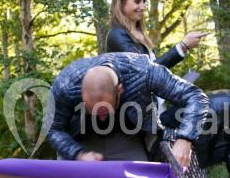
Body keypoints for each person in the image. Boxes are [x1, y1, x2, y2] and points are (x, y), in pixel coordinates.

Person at [47, 52, 208, 164]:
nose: (101, 118)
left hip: (126, 137)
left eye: (104, 111)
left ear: (119, 90)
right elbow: (53, 129)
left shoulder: (143, 71)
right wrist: (78, 154)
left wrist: (186, 138)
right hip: (78, 140)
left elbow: (195, 96)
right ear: (81, 95)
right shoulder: (65, 86)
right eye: (92, 110)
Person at [103, 0, 207, 68]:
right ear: (121, 2)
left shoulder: (139, 33)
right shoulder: (116, 35)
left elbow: (155, 69)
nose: (143, 7)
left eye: (144, 1)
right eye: (137, 1)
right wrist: (182, 46)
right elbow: (146, 71)